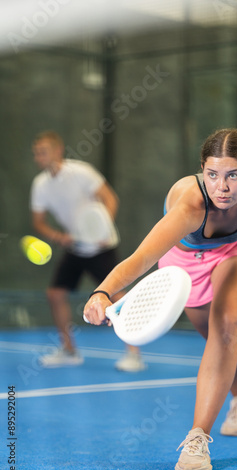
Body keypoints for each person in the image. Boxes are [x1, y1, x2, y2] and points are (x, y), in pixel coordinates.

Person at [83, 128, 237, 470]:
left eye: (233, 175)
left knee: (226, 326)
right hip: (184, 262)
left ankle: (197, 439)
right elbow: (141, 259)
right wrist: (101, 292)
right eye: (212, 174)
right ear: (202, 170)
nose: (222, 187)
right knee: (213, 337)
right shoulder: (191, 206)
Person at [30, 130, 146, 371]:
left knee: (117, 296)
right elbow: (39, 221)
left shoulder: (81, 172)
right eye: (36, 154)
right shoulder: (40, 185)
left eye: (43, 152)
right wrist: (58, 236)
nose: (38, 157)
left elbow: (110, 198)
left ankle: (134, 355)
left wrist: (103, 228)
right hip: (76, 246)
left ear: (58, 150)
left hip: (102, 245)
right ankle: (69, 351)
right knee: (55, 294)